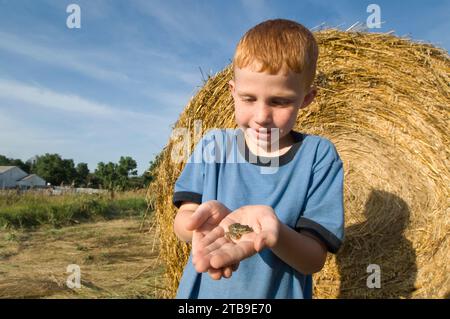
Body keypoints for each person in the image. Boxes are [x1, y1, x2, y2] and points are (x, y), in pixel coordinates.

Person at [172, 19, 344, 299]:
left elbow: (314, 259)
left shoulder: (318, 156)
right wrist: (203, 227)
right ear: (232, 92)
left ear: (307, 98)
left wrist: (274, 232)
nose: (262, 116)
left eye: (279, 102)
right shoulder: (213, 145)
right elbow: (182, 220)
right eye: (249, 98)